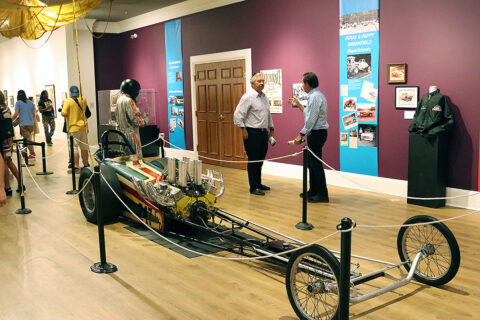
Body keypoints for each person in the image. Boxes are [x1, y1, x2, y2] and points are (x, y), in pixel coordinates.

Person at [288, 72, 329, 203]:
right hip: (316, 132)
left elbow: (311, 119)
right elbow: (309, 114)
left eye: (303, 83)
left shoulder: (315, 97)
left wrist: (301, 134)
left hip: (317, 133)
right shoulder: (314, 95)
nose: (302, 85)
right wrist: (299, 105)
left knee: (316, 165)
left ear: (308, 83)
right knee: (311, 164)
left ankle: (322, 195)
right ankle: (313, 191)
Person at [233, 73, 274, 196]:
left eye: (263, 81)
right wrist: (243, 130)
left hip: (263, 133)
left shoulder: (264, 97)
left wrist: (271, 128)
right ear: (252, 83)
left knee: (260, 160)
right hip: (252, 133)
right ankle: (253, 187)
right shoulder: (247, 97)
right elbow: (237, 115)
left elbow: (268, 114)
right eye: (259, 81)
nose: (262, 83)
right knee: (253, 160)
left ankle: (258, 183)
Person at [115, 79, 148, 158]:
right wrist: (145, 120)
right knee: (135, 157)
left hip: (121, 133)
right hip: (131, 134)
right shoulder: (129, 100)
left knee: (125, 157)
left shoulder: (119, 99)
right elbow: (136, 120)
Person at [61, 85, 90, 170]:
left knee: (74, 147)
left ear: (70, 93)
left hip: (73, 128)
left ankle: (76, 165)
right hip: (83, 127)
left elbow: (63, 113)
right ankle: (86, 164)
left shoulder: (68, 101)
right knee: (84, 147)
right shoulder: (83, 99)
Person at [0, 91, 21, 195]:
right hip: (8, 138)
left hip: (2, 139)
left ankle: (7, 187)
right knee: (8, 161)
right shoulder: (6, 108)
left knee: (3, 162)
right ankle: (20, 183)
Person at [12, 90, 36, 161]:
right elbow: (34, 114)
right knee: (26, 139)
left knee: (27, 139)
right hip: (31, 124)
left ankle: (32, 154)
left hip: (23, 124)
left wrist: (10, 120)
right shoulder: (31, 102)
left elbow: (16, 114)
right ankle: (23, 154)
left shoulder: (18, 103)